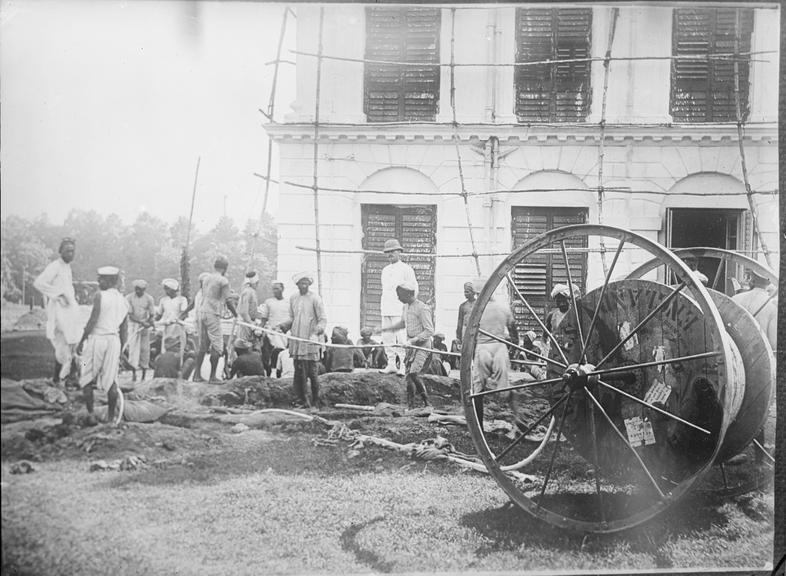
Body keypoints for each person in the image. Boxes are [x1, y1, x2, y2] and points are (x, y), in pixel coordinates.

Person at [76, 266, 129, 426]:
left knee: (86, 374)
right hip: (114, 342)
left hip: (97, 340)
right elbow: (124, 328)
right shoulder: (123, 300)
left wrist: (82, 340)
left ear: (110, 281)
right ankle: (111, 418)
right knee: (111, 379)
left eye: (101, 279)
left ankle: (91, 414)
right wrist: (122, 349)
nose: (99, 282)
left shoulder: (101, 295)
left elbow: (93, 320)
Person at [470, 278, 518, 431]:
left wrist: (471, 357)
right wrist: (513, 350)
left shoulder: (476, 309)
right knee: (504, 387)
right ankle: (518, 416)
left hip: (484, 347)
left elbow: (469, 335)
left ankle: (478, 427)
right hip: (498, 346)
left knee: (477, 389)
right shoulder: (502, 307)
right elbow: (514, 332)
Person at [34, 237, 82, 386]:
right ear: (60, 251)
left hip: (70, 312)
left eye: (73, 251)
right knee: (62, 345)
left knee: (73, 343)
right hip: (59, 312)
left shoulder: (67, 267)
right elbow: (39, 283)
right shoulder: (55, 266)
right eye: (67, 251)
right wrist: (58, 295)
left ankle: (68, 378)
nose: (70, 254)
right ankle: (60, 378)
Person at [378, 281, 432, 409]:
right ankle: (411, 406)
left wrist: (413, 341)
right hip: (410, 347)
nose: (398, 298)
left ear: (408, 294)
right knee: (408, 378)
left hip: (421, 346)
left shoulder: (422, 308)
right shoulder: (406, 307)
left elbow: (429, 330)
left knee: (414, 373)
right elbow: (402, 324)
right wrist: (385, 329)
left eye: (399, 295)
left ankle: (427, 402)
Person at [277, 272, 327, 410]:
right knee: (299, 373)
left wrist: (316, 332)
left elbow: (323, 320)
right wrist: (283, 326)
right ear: (297, 284)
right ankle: (301, 400)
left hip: (310, 343)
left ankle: (315, 401)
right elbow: (292, 318)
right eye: (301, 283)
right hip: (297, 343)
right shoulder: (293, 298)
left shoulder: (315, 299)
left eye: (306, 283)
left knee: (312, 374)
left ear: (309, 284)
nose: (303, 285)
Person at [194, 256, 237, 383]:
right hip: (212, 313)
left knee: (203, 345)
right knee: (217, 345)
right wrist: (236, 314)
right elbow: (228, 300)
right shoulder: (223, 280)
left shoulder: (206, 278)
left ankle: (197, 375)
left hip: (202, 312)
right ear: (225, 268)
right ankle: (213, 377)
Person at [379, 238, 418, 375]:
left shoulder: (406, 269)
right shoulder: (385, 270)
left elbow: (414, 289)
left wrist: (408, 307)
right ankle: (391, 364)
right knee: (387, 337)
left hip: (399, 309)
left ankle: (402, 365)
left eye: (392, 251)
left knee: (401, 338)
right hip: (386, 307)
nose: (390, 254)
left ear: (399, 252)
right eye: (387, 252)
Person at [732, 268, 776, 350]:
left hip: (736, 353)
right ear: (769, 283)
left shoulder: (735, 298)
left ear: (751, 278)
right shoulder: (772, 306)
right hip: (759, 356)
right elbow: (773, 344)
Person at [258, 280, 292, 377]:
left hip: (284, 334)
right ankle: (269, 374)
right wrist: (260, 329)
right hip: (271, 333)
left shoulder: (288, 302)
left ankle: (280, 373)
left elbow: (292, 319)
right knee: (268, 355)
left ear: (282, 289)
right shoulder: (269, 302)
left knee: (282, 354)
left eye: (277, 288)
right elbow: (264, 319)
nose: (275, 291)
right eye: (273, 289)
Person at [125, 279, 156, 381]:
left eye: (141, 290)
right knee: (133, 350)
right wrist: (140, 322)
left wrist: (148, 322)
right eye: (137, 289)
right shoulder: (129, 298)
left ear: (144, 289)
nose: (139, 291)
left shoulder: (149, 298)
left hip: (144, 327)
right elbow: (130, 315)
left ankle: (143, 375)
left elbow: (152, 314)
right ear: (135, 289)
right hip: (133, 325)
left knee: (144, 350)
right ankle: (134, 374)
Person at [156, 278, 189, 362]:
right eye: (165, 289)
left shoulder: (182, 300)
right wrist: (152, 321)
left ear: (173, 290)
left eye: (168, 289)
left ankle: (178, 367)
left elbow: (184, 313)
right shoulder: (163, 300)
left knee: (178, 349)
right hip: (167, 328)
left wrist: (176, 320)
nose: (166, 291)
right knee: (166, 348)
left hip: (178, 328)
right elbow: (158, 315)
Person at [235, 270, 260, 351]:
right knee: (244, 348)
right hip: (245, 324)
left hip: (250, 323)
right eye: (257, 283)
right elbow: (243, 312)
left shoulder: (252, 292)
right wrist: (251, 324)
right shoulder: (247, 292)